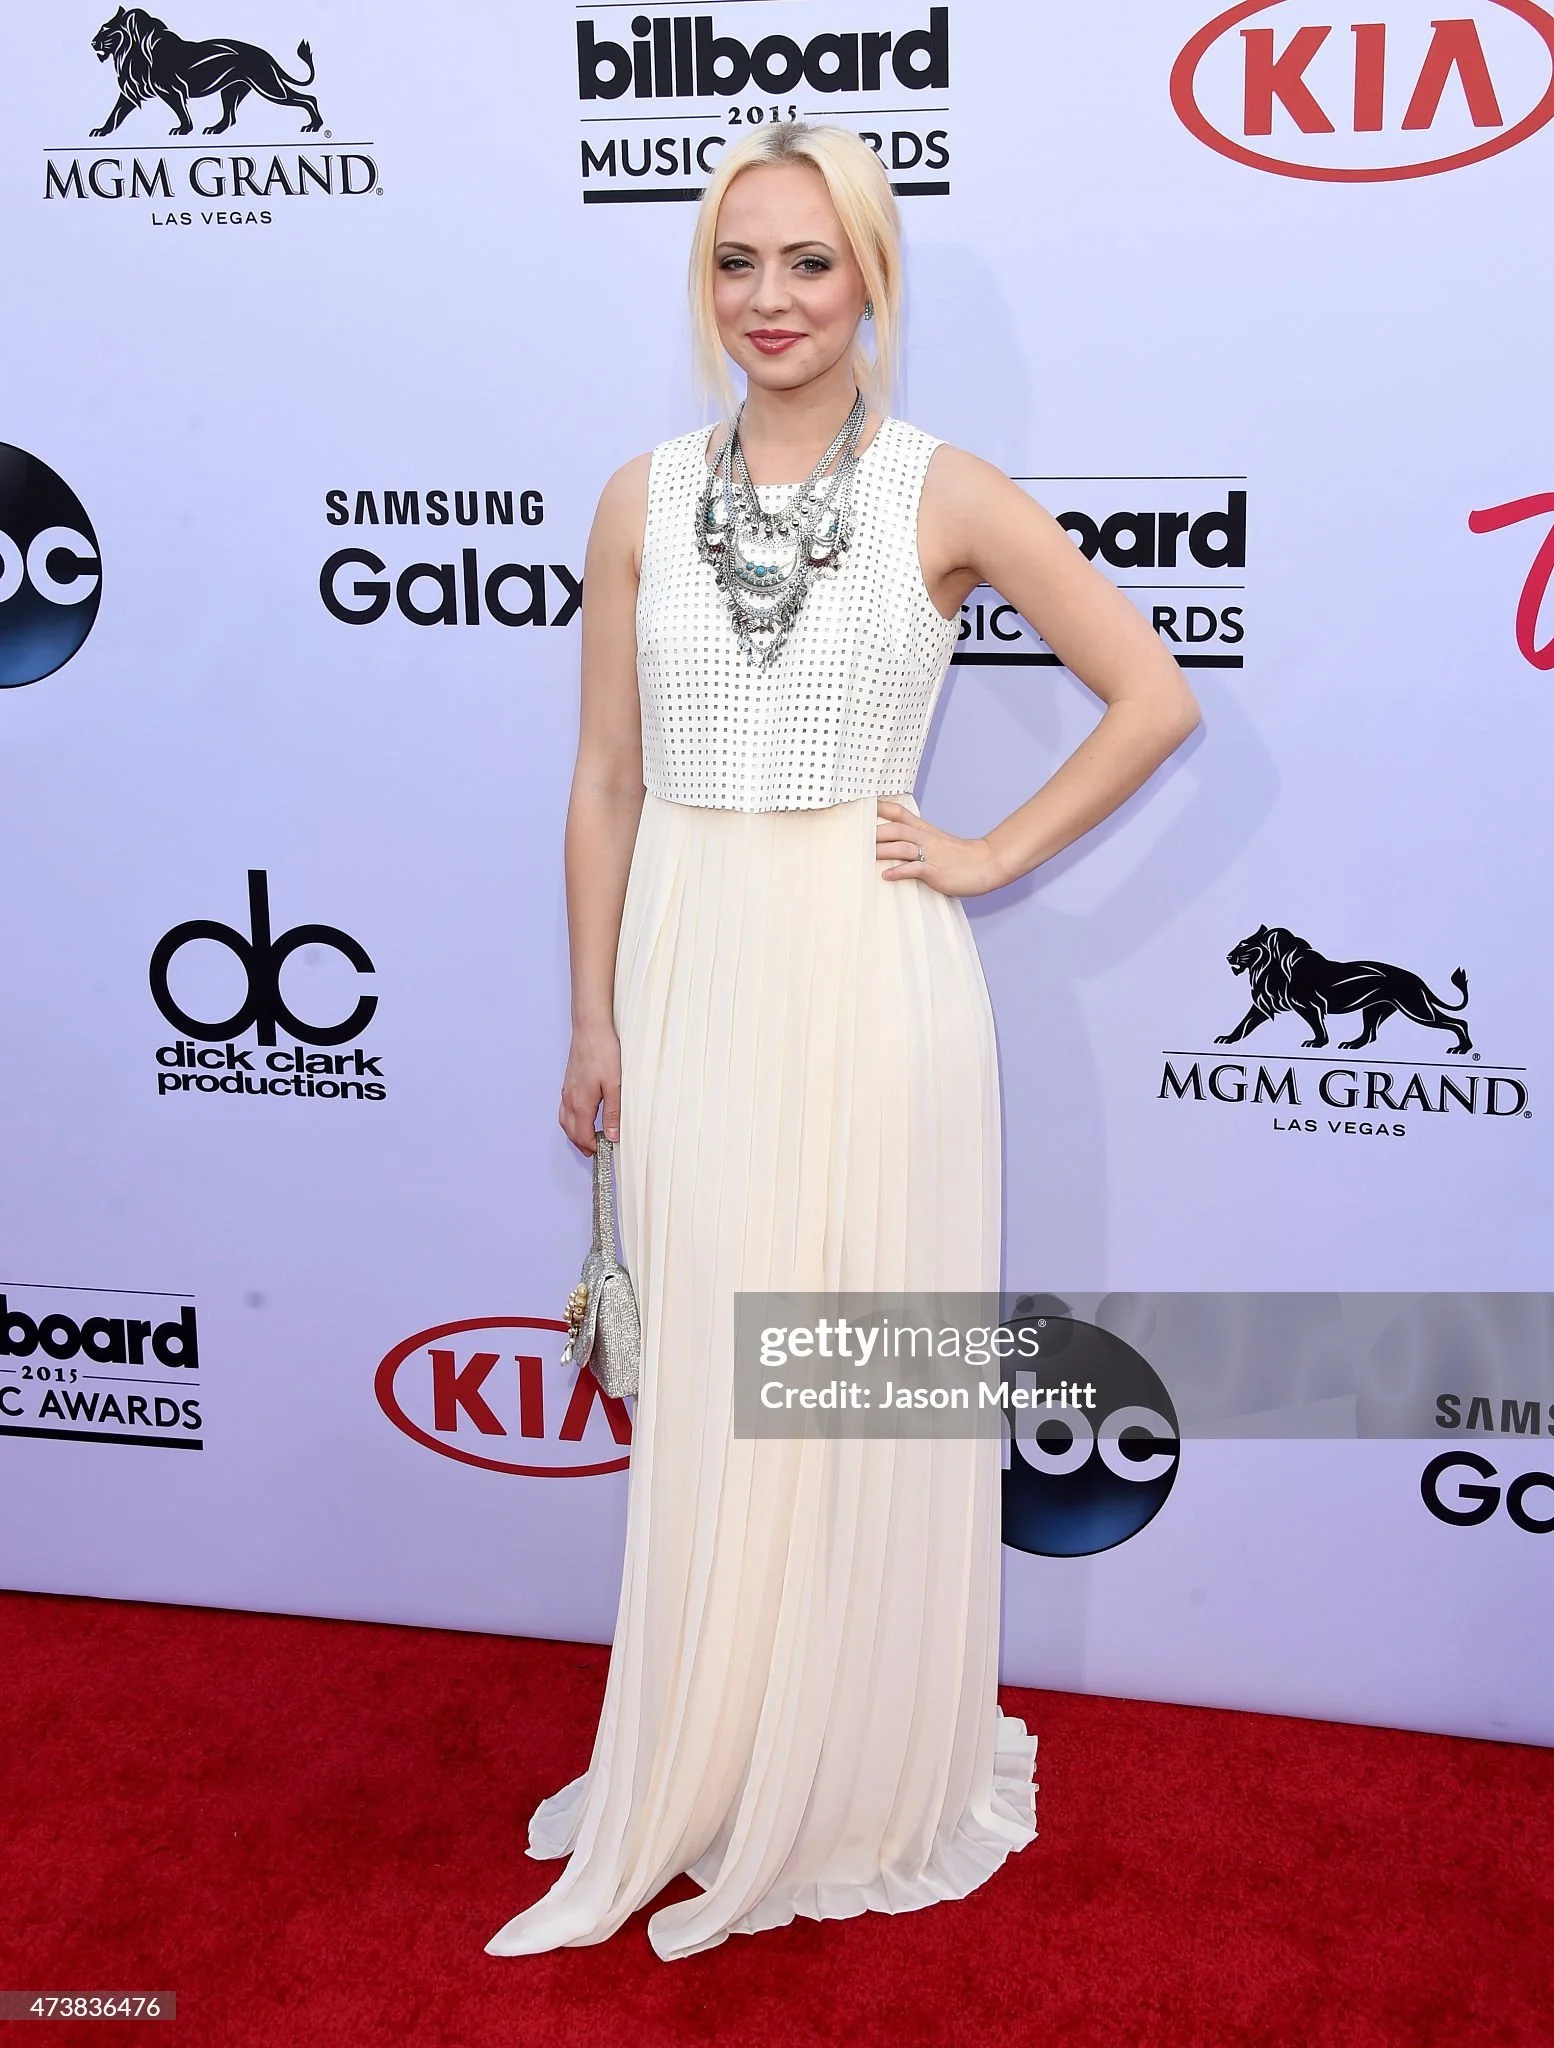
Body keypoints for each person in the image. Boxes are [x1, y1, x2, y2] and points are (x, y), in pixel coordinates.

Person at [486, 120, 1199, 1964]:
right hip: (689, 965)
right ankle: (714, 1761)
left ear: (872, 278)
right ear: (702, 286)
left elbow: (1153, 696)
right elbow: (602, 778)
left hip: (871, 972)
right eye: (737, 263)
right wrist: (590, 1008)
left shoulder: (945, 492)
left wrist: (985, 854)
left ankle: (862, 1769)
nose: (772, 300)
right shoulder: (640, 496)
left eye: (810, 262)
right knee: (722, 1383)